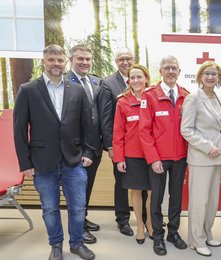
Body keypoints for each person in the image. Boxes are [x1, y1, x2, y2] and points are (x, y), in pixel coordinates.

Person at [13, 44, 95, 260]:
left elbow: (87, 124)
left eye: (60, 60)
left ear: (65, 62)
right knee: (50, 209)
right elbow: (19, 130)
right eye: (52, 60)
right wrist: (25, 164)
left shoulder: (76, 90)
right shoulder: (28, 90)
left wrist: (88, 152)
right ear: (44, 61)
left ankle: (77, 243)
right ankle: (56, 245)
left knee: (78, 207)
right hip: (42, 161)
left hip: (74, 159)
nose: (56, 64)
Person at [139, 55, 189, 256]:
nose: (170, 71)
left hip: (180, 157)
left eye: (174, 68)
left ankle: (173, 232)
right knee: (157, 198)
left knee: (176, 197)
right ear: (160, 71)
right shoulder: (149, 95)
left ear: (179, 72)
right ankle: (158, 235)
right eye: (167, 68)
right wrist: (153, 158)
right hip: (159, 158)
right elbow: (144, 131)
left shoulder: (186, 95)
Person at [181, 61, 221, 257]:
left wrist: (219, 150)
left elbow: (219, 127)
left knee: (212, 200)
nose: (210, 77)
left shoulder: (218, 96)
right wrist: (208, 147)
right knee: (199, 202)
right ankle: (196, 239)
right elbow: (186, 130)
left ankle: (207, 233)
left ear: (219, 78)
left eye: (214, 74)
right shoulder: (193, 98)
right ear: (200, 76)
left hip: (218, 157)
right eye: (207, 73)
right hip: (202, 156)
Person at [66, 44, 111, 244]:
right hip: (75, 148)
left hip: (94, 146)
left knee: (87, 186)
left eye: (87, 59)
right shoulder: (65, 82)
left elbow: (102, 115)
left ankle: (82, 219)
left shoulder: (96, 82)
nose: (84, 62)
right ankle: (78, 228)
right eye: (80, 59)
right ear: (71, 60)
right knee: (77, 189)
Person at [112, 64, 153, 244]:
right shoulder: (123, 101)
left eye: (139, 77)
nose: (136, 81)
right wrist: (119, 158)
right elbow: (118, 132)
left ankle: (150, 223)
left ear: (146, 78)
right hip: (133, 154)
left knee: (152, 192)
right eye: (133, 78)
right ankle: (139, 226)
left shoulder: (153, 97)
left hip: (153, 154)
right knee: (136, 191)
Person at [100, 48, 135, 237]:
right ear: (116, 62)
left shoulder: (141, 80)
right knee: (121, 183)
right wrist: (110, 146)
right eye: (121, 59)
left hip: (140, 145)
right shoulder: (108, 84)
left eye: (128, 58)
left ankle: (144, 215)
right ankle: (122, 220)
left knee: (142, 183)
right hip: (119, 144)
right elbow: (106, 118)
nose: (125, 62)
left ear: (133, 59)